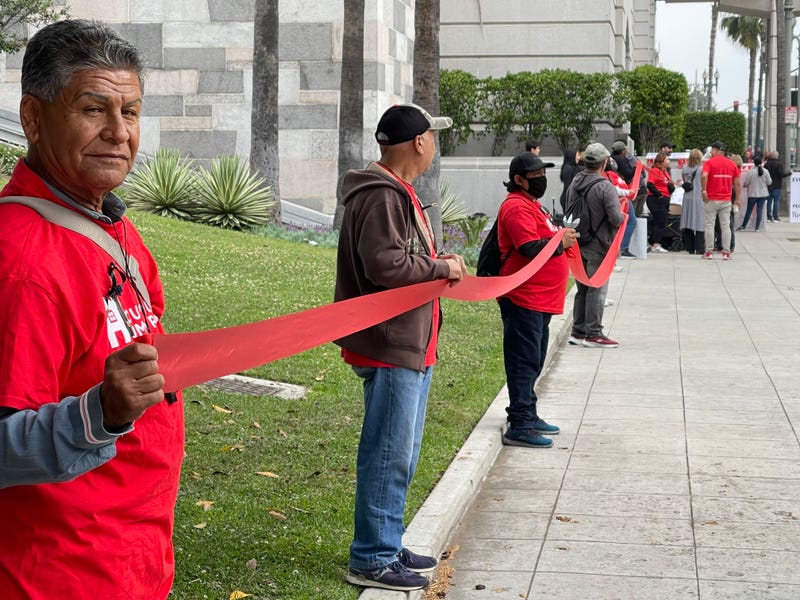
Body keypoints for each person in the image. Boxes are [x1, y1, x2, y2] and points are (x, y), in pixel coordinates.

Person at [0, 20, 182, 599]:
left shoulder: (114, 227)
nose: (117, 132)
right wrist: (100, 412)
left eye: (130, 112)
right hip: (54, 575)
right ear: (33, 118)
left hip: (132, 559)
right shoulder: (22, 261)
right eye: (92, 109)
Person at [334, 103, 466, 592]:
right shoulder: (382, 194)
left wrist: (435, 261)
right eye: (433, 137)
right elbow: (385, 265)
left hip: (408, 345)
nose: (434, 145)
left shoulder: (395, 191)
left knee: (400, 453)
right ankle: (372, 556)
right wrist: (441, 268)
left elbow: (398, 258)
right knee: (388, 454)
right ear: (419, 142)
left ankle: (386, 541)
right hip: (391, 346)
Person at [495, 153, 578, 448]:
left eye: (543, 174)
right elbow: (529, 247)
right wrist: (560, 242)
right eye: (535, 176)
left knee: (534, 359)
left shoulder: (532, 204)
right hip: (523, 298)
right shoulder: (516, 207)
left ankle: (528, 412)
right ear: (518, 179)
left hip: (540, 300)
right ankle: (520, 423)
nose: (542, 179)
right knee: (523, 360)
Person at [566, 143, 625, 348]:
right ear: (604, 162)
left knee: (582, 288)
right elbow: (616, 218)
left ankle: (578, 331)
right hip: (598, 244)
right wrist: (623, 213)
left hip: (577, 241)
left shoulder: (575, 181)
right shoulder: (605, 186)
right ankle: (593, 333)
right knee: (597, 288)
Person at [701, 141, 740, 260]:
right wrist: (737, 199)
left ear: (715, 150)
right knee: (725, 226)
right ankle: (726, 252)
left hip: (711, 199)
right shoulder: (732, 164)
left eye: (711, 150)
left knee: (709, 225)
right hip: (726, 199)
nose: (711, 153)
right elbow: (737, 183)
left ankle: (709, 252)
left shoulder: (709, 163)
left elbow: (704, 175)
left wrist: (704, 191)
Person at [610, 141, 638, 257]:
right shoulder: (616, 166)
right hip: (622, 198)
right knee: (631, 221)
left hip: (624, 197)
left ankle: (621, 247)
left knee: (628, 221)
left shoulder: (614, 171)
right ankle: (622, 247)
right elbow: (615, 187)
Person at [646, 151, 674, 253]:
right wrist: (659, 195)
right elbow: (650, 184)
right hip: (656, 199)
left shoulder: (665, 171)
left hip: (664, 199)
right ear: (661, 161)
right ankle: (656, 244)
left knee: (661, 221)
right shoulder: (655, 171)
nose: (669, 161)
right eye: (667, 159)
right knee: (660, 222)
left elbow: (669, 185)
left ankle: (653, 241)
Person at [680, 148, 705, 254]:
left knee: (687, 221)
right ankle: (700, 248)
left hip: (687, 197)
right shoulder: (702, 169)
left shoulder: (684, 169)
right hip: (698, 196)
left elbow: (684, 181)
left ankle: (690, 247)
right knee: (700, 222)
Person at [738, 155, 771, 232]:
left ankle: (743, 226)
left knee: (749, 210)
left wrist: (745, 185)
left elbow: (746, 183)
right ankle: (757, 227)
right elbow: (769, 182)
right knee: (759, 210)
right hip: (763, 194)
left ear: (754, 163)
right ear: (761, 162)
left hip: (752, 194)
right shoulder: (766, 171)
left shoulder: (750, 172)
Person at [764, 151, 789, 222]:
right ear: (777, 156)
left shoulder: (767, 164)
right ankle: (775, 217)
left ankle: (768, 217)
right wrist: (789, 173)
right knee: (776, 201)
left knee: (769, 201)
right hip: (777, 185)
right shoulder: (779, 164)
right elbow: (782, 174)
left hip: (769, 185)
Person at [559, 148, 581, 212]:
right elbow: (568, 187)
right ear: (572, 156)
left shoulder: (575, 167)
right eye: (577, 155)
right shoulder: (567, 169)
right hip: (568, 199)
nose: (579, 158)